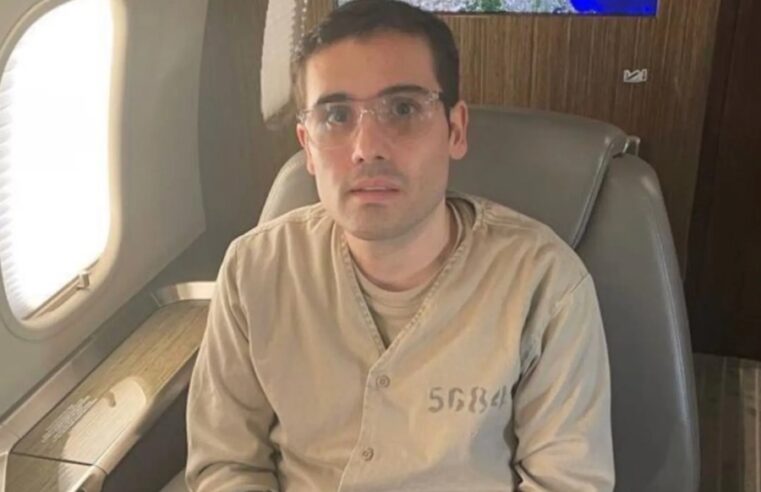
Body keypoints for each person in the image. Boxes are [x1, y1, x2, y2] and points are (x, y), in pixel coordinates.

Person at [186, 0, 614, 490]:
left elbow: (566, 482)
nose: (367, 147)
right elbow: (227, 464)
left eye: (404, 109)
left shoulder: (545, 283)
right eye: (336, 115)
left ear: (455, 130)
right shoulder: (253, 272)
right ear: (307, 147)